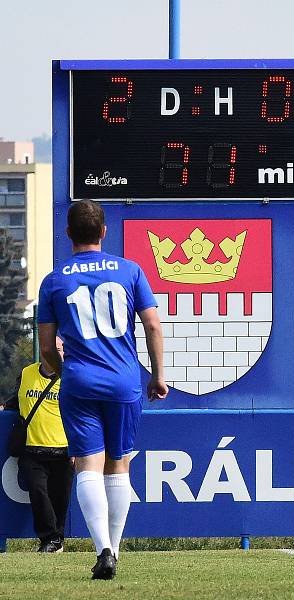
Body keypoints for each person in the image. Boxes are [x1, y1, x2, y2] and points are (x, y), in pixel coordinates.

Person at [37, 199, 168, 580]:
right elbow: (153, 326)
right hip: (124, 381)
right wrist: (158, 376)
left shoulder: (55, 280)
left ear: (68, 234)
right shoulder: (130, 270)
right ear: (104, 232)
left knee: (87, 467)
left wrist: (67, 372)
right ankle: (115, 549)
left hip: (79, 381)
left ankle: (102, 550)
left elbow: (47, 349)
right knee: (119, 464)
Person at [3, 337, 72, 553]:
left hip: (63, 449)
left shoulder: (71, 377)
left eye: (59, 349)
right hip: (32, 448)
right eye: (52, 349)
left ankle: (56, 539)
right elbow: (16, 400)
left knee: (60, 498)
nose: (56, 353)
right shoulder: (27, 373)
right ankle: (49, 539)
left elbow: (81, 414)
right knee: (38, 492)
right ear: (43, 351)